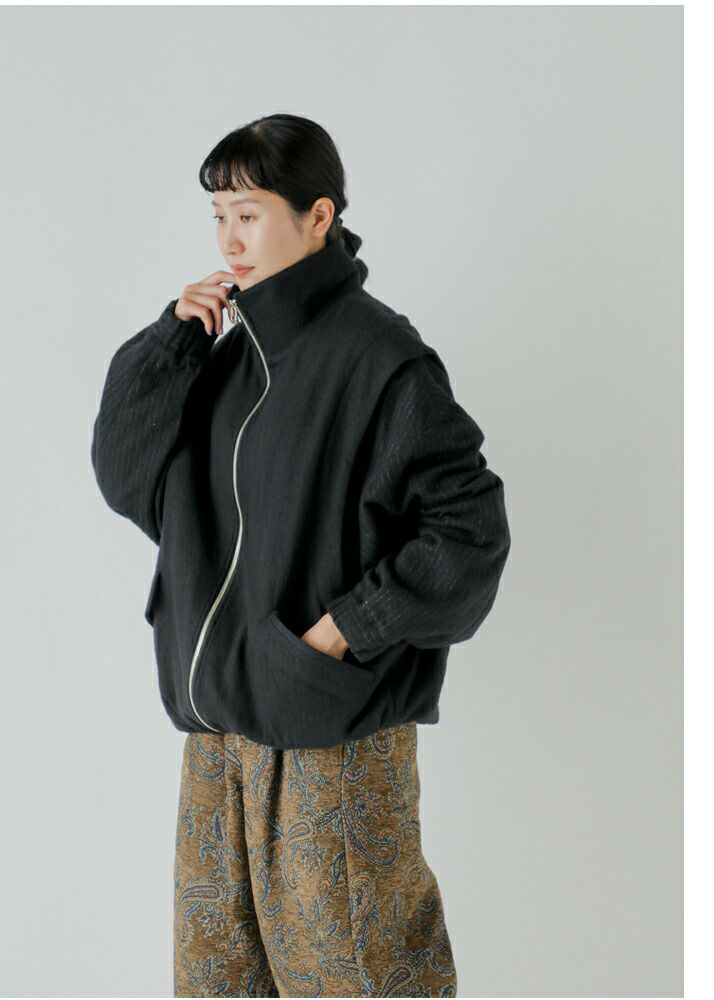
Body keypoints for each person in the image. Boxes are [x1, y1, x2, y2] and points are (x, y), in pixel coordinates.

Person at [91, 113, 511, 998]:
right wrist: (170, 342)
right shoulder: (224, 357)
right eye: (218, 216)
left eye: (249, 213)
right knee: (219, 983)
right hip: (219, 738)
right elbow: (129, 481)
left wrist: (340, 632)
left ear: (318, 216)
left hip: (330, 741)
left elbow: (468, 529)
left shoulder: (379, 358)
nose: (229, 239)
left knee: (359, 979)